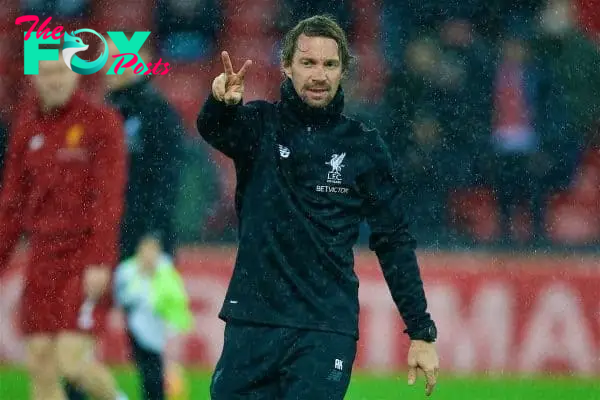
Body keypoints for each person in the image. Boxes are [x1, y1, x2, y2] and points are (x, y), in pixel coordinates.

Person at [196, 15, 440, 399]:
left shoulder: (363, 146)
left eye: (330, 65)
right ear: (287, 66)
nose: (319, 75)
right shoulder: (260, 125)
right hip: (253, 320)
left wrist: (421, 331)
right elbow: (214, 129)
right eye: (308, 63)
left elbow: (394, 241)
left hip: (325, 328)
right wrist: (220, 105)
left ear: (344, 70)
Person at [64, 32, 185, 400]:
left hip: (141, 247)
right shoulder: (100, 113)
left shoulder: (157, 113)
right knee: (75, 341)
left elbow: (166, 182)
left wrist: (153, 238)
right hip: (99, 245)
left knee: (146, 346)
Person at [0, 58, 128, 400]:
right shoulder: (26, 127)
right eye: (45, 72)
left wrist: (100, 260)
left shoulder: (101, 123)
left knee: (71, 363)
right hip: (42, 257)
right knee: (40, 362)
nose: (54, 80)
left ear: (75, 74)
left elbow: (108, 199)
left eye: (60, 71)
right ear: (33, 77)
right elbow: (11, 206)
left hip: (85, 255)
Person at [113, 233, 193, 400]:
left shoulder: (164, 268)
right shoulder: (128, 270)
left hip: (160, 324)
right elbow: (122, 298)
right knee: (148, 368)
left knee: (155, 367)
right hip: (137, 326)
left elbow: (175, 295)